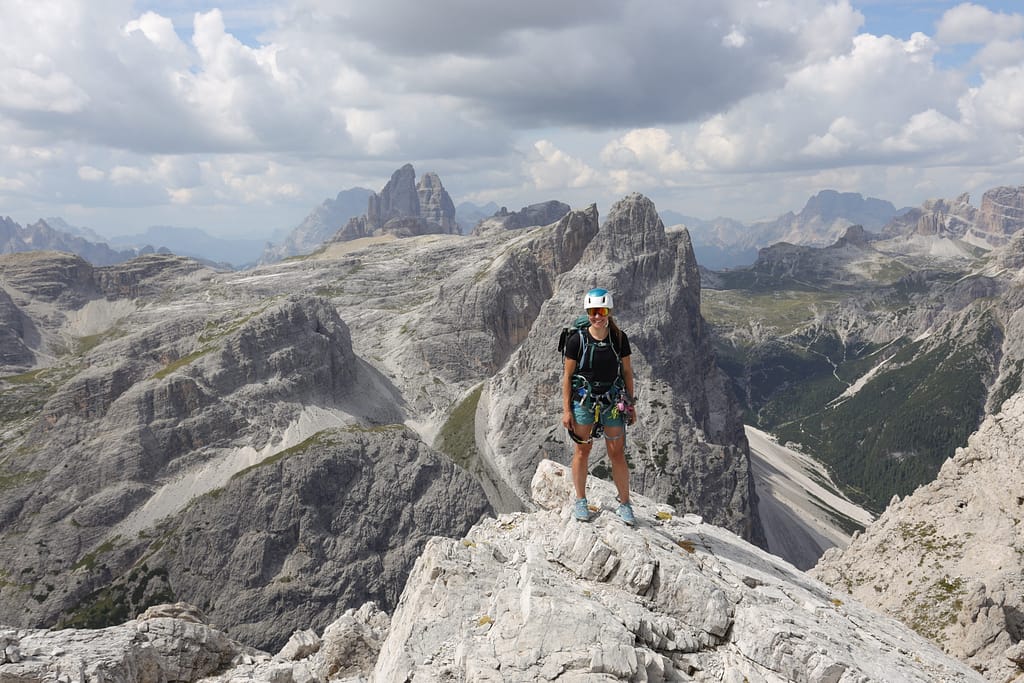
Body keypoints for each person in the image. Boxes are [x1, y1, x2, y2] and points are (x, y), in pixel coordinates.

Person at [561, 288, 637, 525]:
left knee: (616, 453)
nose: (597, 316)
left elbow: (627, 372)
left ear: (608, 312)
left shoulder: (619, 338)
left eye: (601, 311)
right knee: (583, 451)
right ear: (588, 312)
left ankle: (625, 504)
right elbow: (567, 376)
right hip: (583, 402)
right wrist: (566, 410)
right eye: (593, 311)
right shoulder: (577, 340)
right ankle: (581, 501)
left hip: (613, 402)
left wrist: (631, 405)